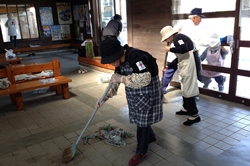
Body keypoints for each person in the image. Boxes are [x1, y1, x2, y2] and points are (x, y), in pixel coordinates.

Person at [96, 38, 163, 166]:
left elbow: (145, 78)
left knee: (142, 120)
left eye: (110, 60)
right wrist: (104, 98)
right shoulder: (119, 63)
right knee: (139, 116)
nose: (110, 64)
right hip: (135, 93)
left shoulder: (136, 57)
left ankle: (141, 151)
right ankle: (151, 137)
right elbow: (114, 81)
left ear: (117, 54)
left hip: (148, 90)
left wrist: (121, 78)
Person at [162, 8, 206, 101]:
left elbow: (183, 47)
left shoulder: (183, 25)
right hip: (183, 55)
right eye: (200, 18)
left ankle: (189, 97)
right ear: (194, 17)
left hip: (182, 55)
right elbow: (184, 47)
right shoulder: (189, 26)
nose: (201, 20)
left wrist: (170, 50)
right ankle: (190, 97)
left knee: (183, 77)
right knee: (186, 77)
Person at [160, 25, 200, 126]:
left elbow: (183, 49)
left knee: (188, 90)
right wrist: (168, 66)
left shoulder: (178, 37)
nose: (166, 41)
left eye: (166, 39)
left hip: (190, 66)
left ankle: (194, 115)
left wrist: (170, 49)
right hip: (185, 65)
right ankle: (186, 108)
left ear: (169, 35)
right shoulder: (177, 39)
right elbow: (179, 57)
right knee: (184, 88)